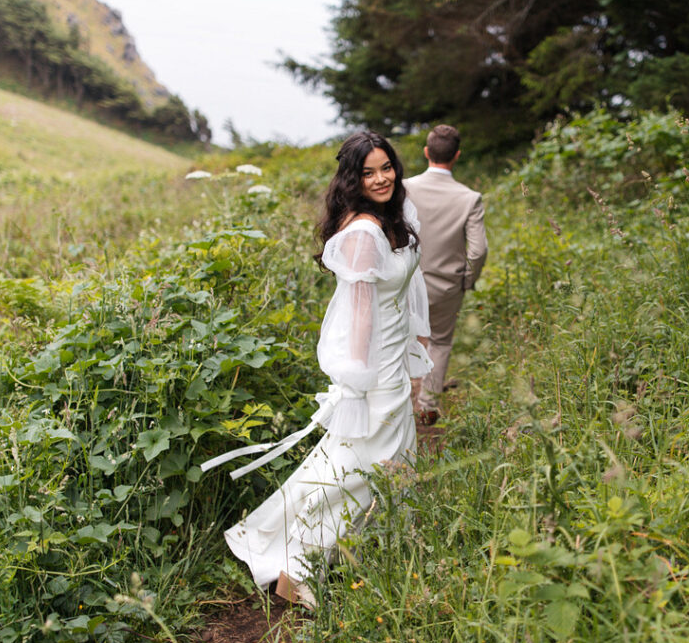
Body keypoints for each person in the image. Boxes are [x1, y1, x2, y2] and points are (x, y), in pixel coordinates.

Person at [200, 131, 432, 606]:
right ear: (353, 178)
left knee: (373, 462)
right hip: (373, 368)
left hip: (392, 356)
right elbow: (359, 314)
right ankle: (297, 564)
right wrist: (356, 383)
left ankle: (348, 549)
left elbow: (403, 296)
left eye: (386, 166)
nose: (382, 177)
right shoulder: (365, 232)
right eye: (368, 172)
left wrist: (414, 353)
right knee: (358, 466)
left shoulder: (395, 217)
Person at [404, 125, 487, 424]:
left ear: (427, 152)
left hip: (406, 281)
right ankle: (426, 404)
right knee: (439, 341)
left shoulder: (404, 187)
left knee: (398, 337)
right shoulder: (470, 198)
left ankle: (396, 401)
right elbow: (478, 251)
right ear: (457, 156)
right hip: (447, 285)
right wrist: (467, 279)